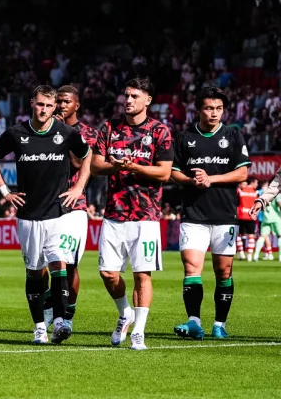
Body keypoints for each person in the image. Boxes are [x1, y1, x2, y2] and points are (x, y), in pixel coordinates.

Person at [0, 86, 91, 344]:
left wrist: (78, 188)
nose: (43, 110)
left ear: (55, 108)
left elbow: (87, 156)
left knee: (59, 266)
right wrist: (5, 191)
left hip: (58, 213)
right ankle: (39, 327)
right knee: (34, 272)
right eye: (40, 104)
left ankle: (62, 322)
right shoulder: (16, 133)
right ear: (32, 103)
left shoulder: (66, 133)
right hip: (28, 215)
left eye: (48, 106)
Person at [91, 78, 174, 350]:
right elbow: (95, 167)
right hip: (114, 213)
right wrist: (116, 167)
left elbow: (164, 172)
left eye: (135, 96)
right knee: (107, 273)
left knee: (142, 275)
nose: (128, 100)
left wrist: (134, 167)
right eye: (126, 95)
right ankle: (125, 311)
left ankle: (139, 330)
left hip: (146, 215)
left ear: (148, 100)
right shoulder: (110, 128)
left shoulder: (160, 131)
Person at [170, 86, 250, 340]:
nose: (214, 113)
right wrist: (191, 181)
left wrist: (211, 179)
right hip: (194, 216)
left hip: (224, 215)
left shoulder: (233, 136)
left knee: (223, 272)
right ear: (199, 109)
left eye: (218, 109)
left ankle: (219, 324)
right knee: (191, 268)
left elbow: (242, 173)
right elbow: (172, 172)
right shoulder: (184, 138)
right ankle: (194, 322)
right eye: (208, 108)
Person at [51, 86, 99, 331]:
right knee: (46, 263)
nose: (61, 105)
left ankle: (67, 313)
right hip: (47, 204)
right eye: (58, 101)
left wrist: (64, 133)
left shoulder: (87, 133)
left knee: (69, 263)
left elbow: (81, 164)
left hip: (74, 204)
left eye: (66, 101)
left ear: (76, 105)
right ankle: (52, 307)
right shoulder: (44, 128)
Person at [235, 179, 259, 261]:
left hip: (241, 215)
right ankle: (249, 255)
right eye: (256, 182)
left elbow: (236, 203)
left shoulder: (241, 191)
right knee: (251, 235)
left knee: (239, 235)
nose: (257, 184)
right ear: (252, 182)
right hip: (251, 216)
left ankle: (241, 253)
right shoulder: (255, 192)